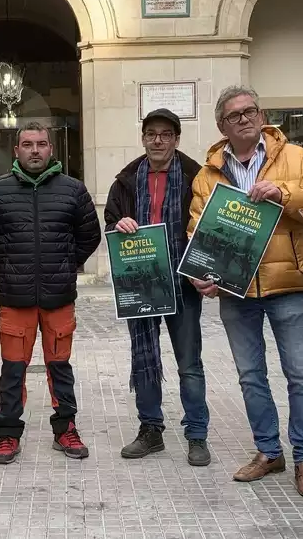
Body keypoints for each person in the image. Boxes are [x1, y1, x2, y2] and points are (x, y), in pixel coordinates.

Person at [187, 86, 303, 498]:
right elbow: (198, 230)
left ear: (262, 113)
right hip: (236, 293)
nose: (245, 119)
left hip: (287, 286)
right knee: (251, 376)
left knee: (300, 374)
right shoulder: (207, 174)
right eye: (234, 116)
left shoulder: (296, 158)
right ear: (222, 125)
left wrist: (284, 193)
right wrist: (202, 273)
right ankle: (269, 452)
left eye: (251, 111)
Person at [0, 122, 101, 465]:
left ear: (51, 149)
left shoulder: (73, 190)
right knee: (13, 369)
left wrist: (65, 265)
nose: (35, 150)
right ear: (16, 151)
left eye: (41, 144)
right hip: (16, 299)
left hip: (59, 299)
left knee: (60, 367)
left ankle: (65, 429)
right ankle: (8, 433)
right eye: (27, 144)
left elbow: (90, 235)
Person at [103, 108, 211, 466]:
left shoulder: (197, 176)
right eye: (151, 133)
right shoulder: (127, 178)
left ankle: (197, 434)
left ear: (176, 139)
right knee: (144, 359)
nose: (158, 140)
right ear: (144, 137)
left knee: (189, 363)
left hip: (183, 283)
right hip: (143, 281)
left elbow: (210, 226)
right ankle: (150, 430)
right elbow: (111, 215)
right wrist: (121, 221)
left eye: (166, 134)